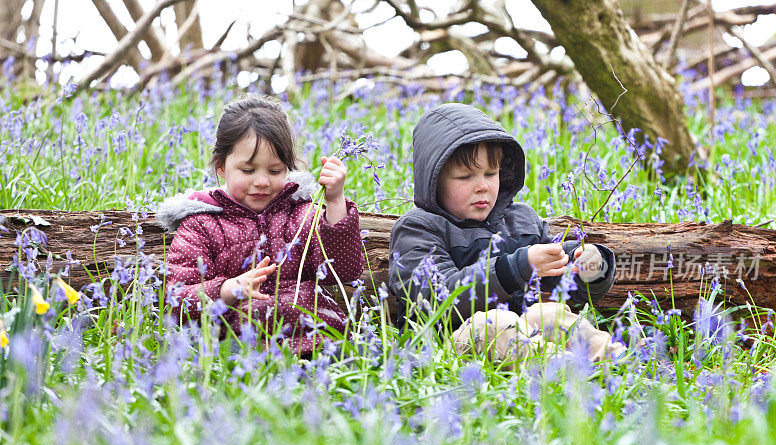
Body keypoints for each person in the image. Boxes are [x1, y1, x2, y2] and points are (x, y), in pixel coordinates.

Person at [388, 103, 623, 362]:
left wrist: (588, 265)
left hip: (520, 334)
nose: (482, 186)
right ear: (433, 180)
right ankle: (554, 365)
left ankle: (612, 359)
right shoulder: (418, 228)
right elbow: (438, 298)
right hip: (448, 345)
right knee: (494, 323)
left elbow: (568, 289)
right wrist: (516, 268)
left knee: (550, 314)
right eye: (465, 177)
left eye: (491, 173)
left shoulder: (520, 219)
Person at [156, 94, 364, 354]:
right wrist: (227, 289)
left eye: (275, 171)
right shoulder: (202, 224)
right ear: (221, 166)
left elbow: (344, 271)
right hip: (242, 346)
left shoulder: (302, 213)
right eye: (248, 170)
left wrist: (334, 202)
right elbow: (176, 299)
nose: (262, 181)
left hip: (318, 339)